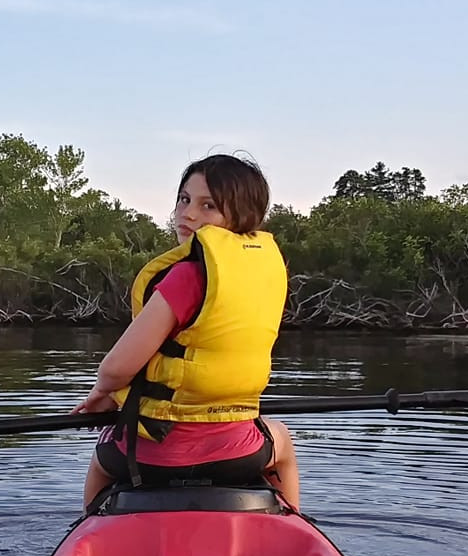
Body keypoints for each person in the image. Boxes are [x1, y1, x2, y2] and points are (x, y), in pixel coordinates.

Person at [70, 154, 300, 510]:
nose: (187, 214)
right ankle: (292, 527)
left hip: (153, 456)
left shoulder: (187, 277)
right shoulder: (265, 273)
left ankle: (88, 530)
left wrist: (102, 393)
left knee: (101, 462)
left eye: (208, 205)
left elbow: (115, 370)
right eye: (184, 199)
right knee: (282, 443)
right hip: (240, 452)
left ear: (241, 214)